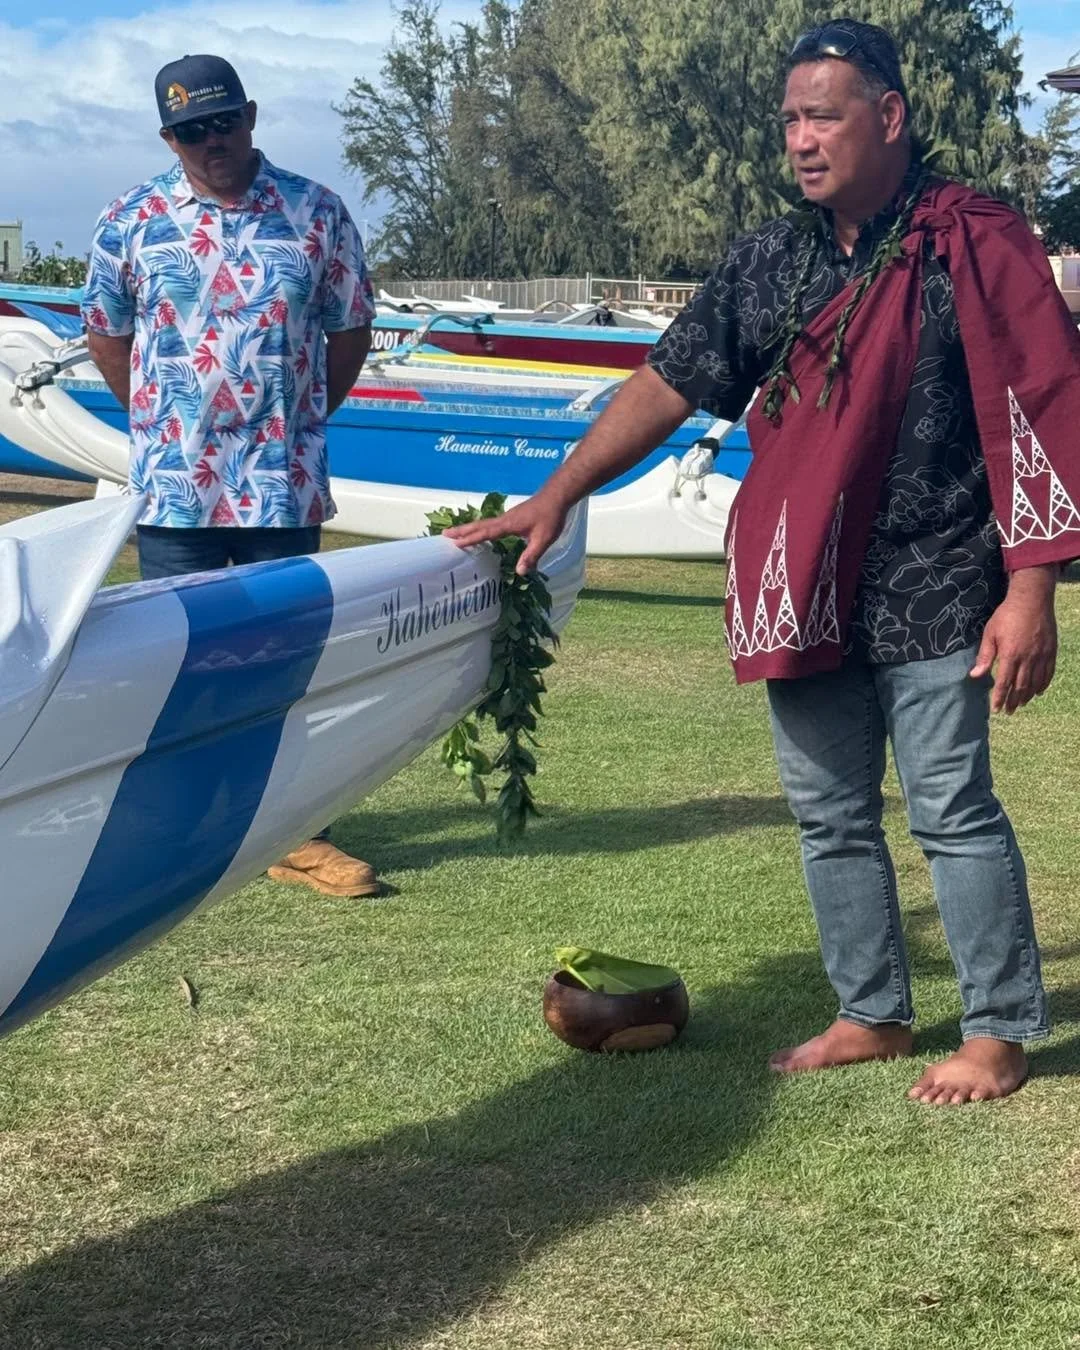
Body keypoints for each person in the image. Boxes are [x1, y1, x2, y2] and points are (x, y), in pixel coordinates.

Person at [448, 18, 1080, 1104]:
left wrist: (1032, 591)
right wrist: (557, 491)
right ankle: (871, 1011)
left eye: (823, 115)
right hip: (799, 582)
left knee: (950, 809)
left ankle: (997, 1032)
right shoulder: (769, 259)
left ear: (888, 117)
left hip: (938, 577)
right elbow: (668, 382)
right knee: (831, 814)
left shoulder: (975, 237)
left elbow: (1044, 406)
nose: (800, 139)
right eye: (789, 118)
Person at [81, 54, 381, 899]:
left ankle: (299, 835)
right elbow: (108, 331)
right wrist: (164, 420)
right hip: (176, 490)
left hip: (283, 483)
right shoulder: (132, 220)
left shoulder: (315, 214)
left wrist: (299, 412)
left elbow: (348, 327)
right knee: (175, 666)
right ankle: (175, 837)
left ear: (250, 115)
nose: (209, 143)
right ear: (167, 138)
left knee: (283, 664)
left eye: (222, 123)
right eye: (188, 132)